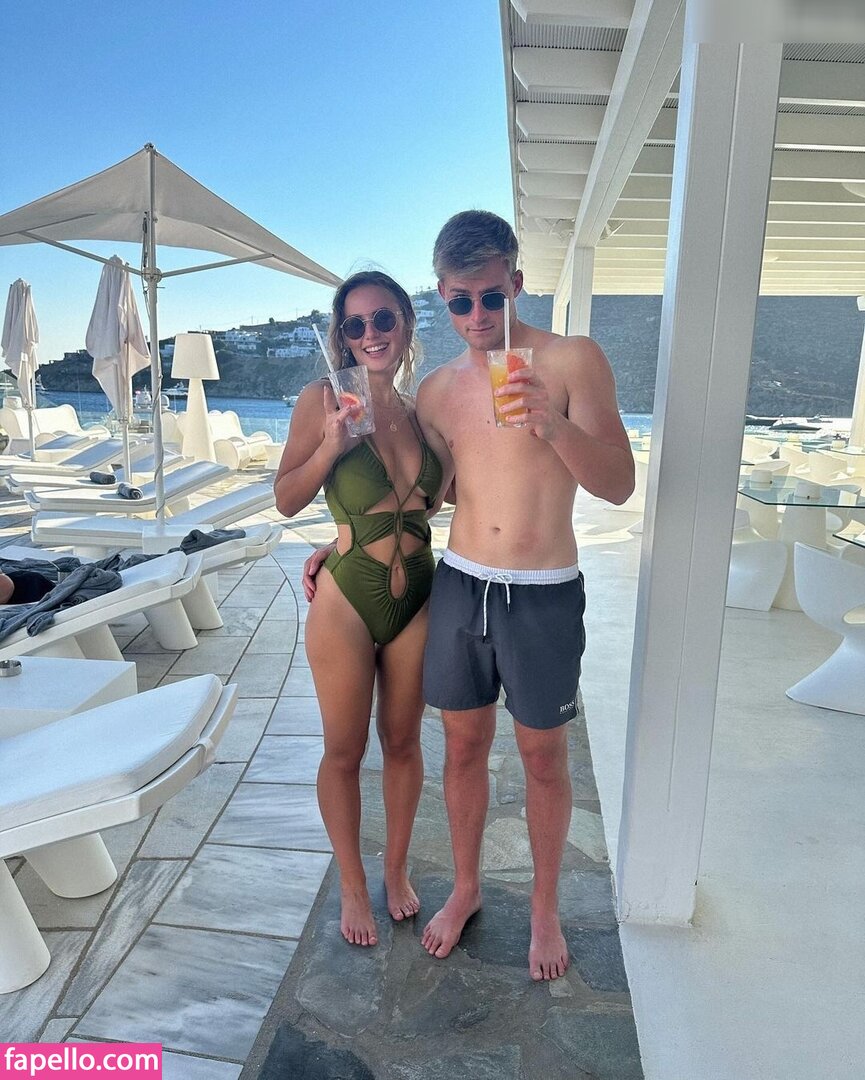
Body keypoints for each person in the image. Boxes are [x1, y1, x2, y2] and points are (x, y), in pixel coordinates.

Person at [305, 211, 634, 980]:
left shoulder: (572, 360)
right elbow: (422, 491)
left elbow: (618, 483)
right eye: (460, 301)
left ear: (515, 283)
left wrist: (553, 426)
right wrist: (346, 540)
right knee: (460, 747)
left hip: (542, 590)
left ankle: (544, 910)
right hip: (459, 584)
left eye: (490, 296)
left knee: (543, 757)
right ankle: (465, 887)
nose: (478, 316)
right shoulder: (436, 390)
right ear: (442, 297)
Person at [274, 271, 446, 948]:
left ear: (406, 324)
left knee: (403, 743)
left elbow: (432, 505)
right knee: (343, 750)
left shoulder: (422, 412)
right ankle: (351, 883)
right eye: (355, 324)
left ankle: (394, 869)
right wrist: (331, 446)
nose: (370, 334)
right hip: (346, 601)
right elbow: (286, 498)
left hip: (419, 593)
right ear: (341, 336)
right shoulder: (322, 399)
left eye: (383, 319)